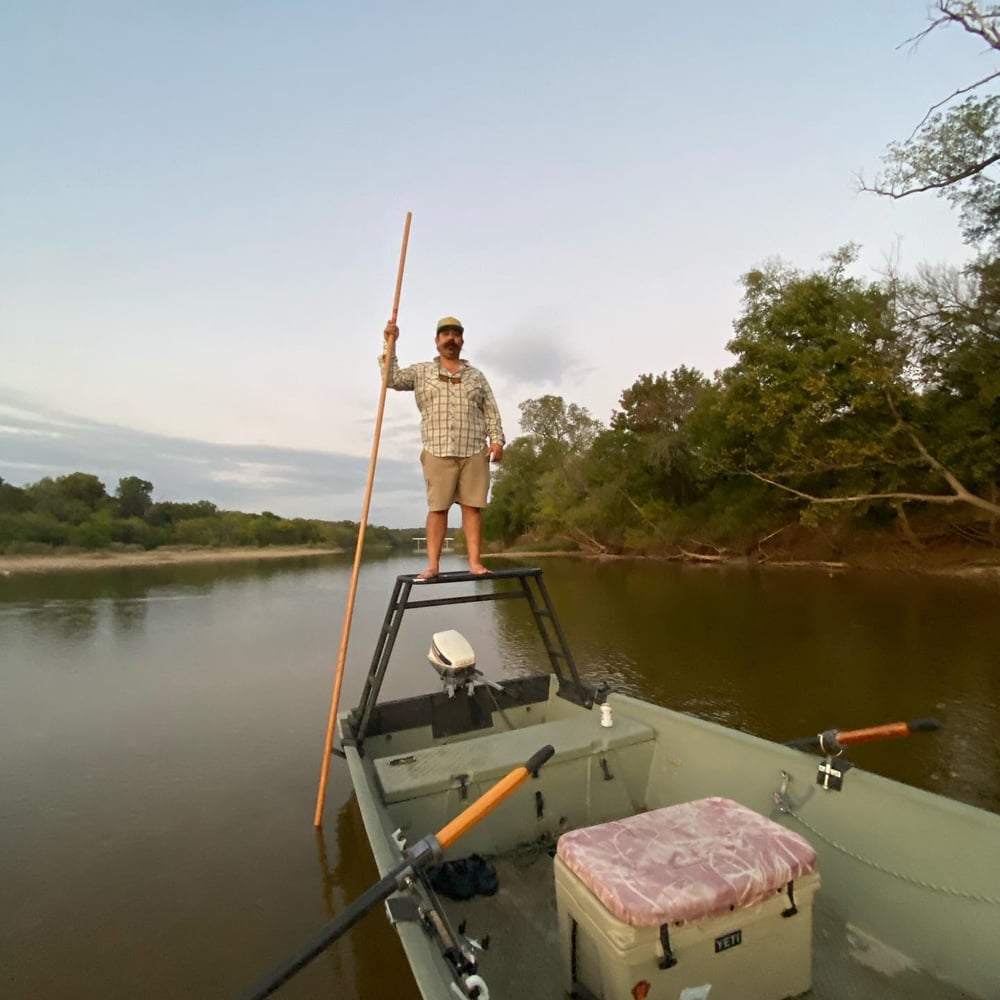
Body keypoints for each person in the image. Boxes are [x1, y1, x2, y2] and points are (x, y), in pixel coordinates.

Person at [381, 316, 505, 581]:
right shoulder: (422, 371)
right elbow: (391, 379)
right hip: (437, 449)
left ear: (462, 341)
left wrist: (497, 440)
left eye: (456, 334)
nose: (451, 338)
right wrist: (390, 342)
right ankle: (433, 565)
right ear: (437, 341)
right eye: (446, 334)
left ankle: (474, 562)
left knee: (473, 508)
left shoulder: (476, 376)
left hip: (473, 449)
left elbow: (491, 410)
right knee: (438, 508)